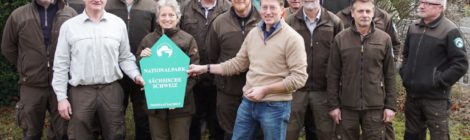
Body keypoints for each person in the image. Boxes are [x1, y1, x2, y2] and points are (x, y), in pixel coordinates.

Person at [189, 0, 308, 139]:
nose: (268, 12)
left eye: (272, 8)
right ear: (260, 9)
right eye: (264, 7)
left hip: (275, 106)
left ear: (282, 10)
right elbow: (238, 64)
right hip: (248, 103)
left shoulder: (293, 39)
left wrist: (265, 90)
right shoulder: (254, 33)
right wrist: (204, 68)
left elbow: (299, 79)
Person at [52, 0, 145, 139]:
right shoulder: (69, 27)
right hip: (81, 93)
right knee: (80, 135)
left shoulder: (118, 24)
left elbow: (125, 57)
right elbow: (61, 64)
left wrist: (136, 75)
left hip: (111, 91)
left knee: (115, 134)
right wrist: (61, 98)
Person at [1, 0, 76, 139]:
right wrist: (25, 65)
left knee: (62, 132)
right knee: (31, 132)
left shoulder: (70, 14)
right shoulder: (18, 15)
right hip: (31, 85)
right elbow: (7, 47)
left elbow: (77, 46)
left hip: (61, 85)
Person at [327, 0, 396, 139]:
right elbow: (333, 74)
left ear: (373, 13)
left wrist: (390, 106)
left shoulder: (384, 39)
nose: (364, 15)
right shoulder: (340, 39)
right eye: (360, 11)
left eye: (368, 11)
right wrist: (333, 105)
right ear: (352, 13)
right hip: (347, 107)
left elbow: (390, 75)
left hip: (375, 107)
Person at [400, 0, 469, 139]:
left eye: (427, 3)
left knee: (439, 136)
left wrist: (437, 81)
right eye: (421, 1)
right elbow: (406, 55)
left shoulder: (450, 30)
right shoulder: (413, 27)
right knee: (412, 135)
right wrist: (405, 73)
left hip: (435, 99)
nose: (421, 5)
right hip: (413, 96)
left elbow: (460, 64)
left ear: (440, 7)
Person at [137, 0, 200, 139]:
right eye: (163, 15)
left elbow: (194, 74)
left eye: (171, 15)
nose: (167, 19)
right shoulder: (148, 40)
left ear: (178, 17)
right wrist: (142, 58)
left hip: (181, 107)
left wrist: (176, 97)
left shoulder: (188, 40)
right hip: (155, 108)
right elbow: (141, 71)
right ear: (158, 18)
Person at [284, 0, 343, 139]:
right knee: (288, 133)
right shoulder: (288, 22)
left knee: (325, 134)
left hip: (323, 90)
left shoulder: (334, 22)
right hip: (295, 90)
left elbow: (341, 57)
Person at [205, 0, 261, 139]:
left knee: (258, 134)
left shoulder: (263, 18)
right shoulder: (219, 22)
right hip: (228, 93)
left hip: (258, 92)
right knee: (230, 133)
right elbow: (212, 55)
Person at [105, 0, 157, 139]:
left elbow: (156, 36)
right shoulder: (107, 5)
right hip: (114, 71)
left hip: (142, 71)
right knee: (114, 117)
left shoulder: (151, 6)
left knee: (143, 117)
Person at [180, 0, 230, 139]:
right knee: (193, 123)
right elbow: (174, 35)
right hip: (192, 76)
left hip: (219, 77)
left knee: (218, 123)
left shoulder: (228, 8)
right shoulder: (185, 8)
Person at [336, 0, 401, 60]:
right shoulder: (340, 17)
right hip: (347, 68)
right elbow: (334, 46)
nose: (364, 15)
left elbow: (395, 44)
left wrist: (390, 63)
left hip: (375, 69)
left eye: (368, 11)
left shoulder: (384, 17)